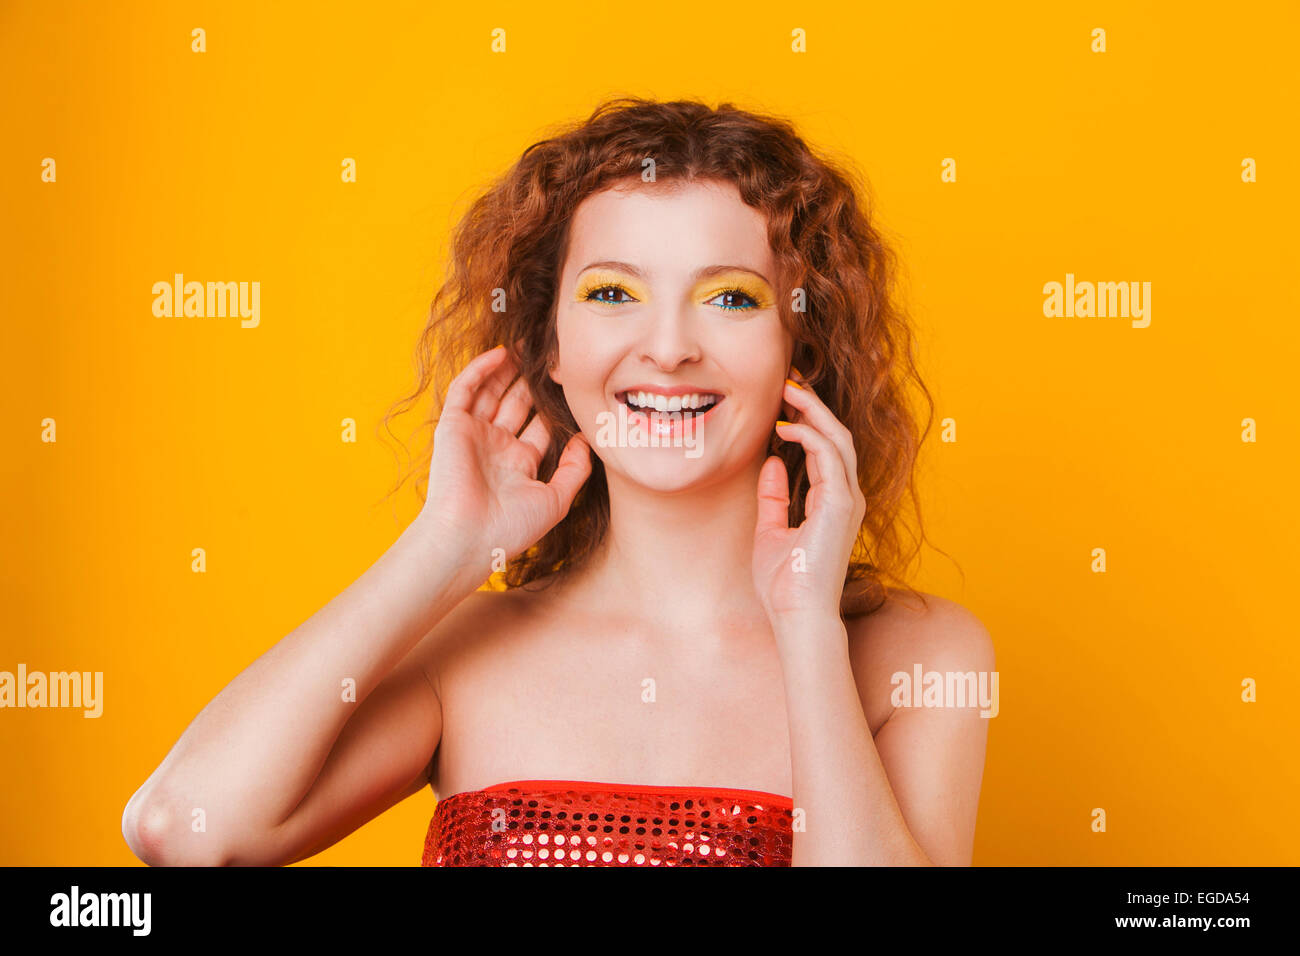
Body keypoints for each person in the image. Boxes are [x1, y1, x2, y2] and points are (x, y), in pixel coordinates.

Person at [122, 97, 993, 867]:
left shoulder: (924, 660)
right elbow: (183, 829)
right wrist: (444, 548)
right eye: (613, 293)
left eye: (730, 298)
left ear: (799, 346)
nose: (668, 347)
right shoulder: (466, 652)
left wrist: (807, 630)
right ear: (549, 346)